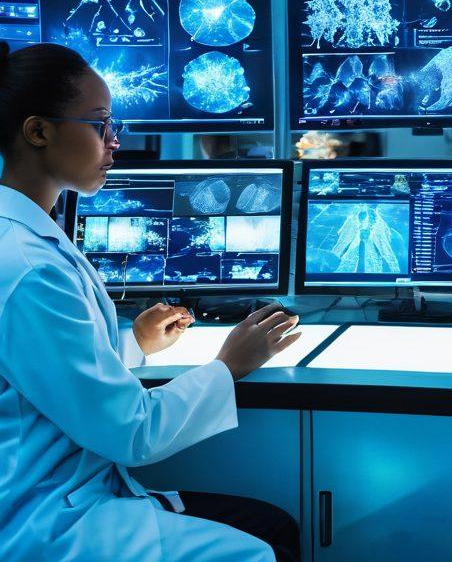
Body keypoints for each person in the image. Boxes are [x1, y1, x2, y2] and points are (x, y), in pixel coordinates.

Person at [0, 41, 302, 562]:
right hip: (46, 518)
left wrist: (134, 344)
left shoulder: (30, 235)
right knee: (259, 552)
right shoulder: (27, 265)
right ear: (38, 131)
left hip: (68, 489)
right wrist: (229, 366)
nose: (114, 141)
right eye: (100, 125)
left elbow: (60, 373)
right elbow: (131, 430)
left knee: (274, 526)